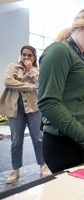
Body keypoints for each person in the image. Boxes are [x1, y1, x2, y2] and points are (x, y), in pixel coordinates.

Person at [37, 5, 84, 173]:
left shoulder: (82, 55)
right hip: (67, 143)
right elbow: (49, 103)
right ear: (83, 23)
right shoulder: (59, 52)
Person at [0, 45, 48, 184]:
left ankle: (42, 165)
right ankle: (15, 170)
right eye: (24, 55)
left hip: (34, 108)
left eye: (29, 55)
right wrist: (29, 86)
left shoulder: (38, 71)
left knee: (38, 139)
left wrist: (30, 71)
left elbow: (40, 85)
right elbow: (8, 82)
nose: (26, 57)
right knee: (16, 141)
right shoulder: (12, 67)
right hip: (15, 109)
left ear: (34, 57)